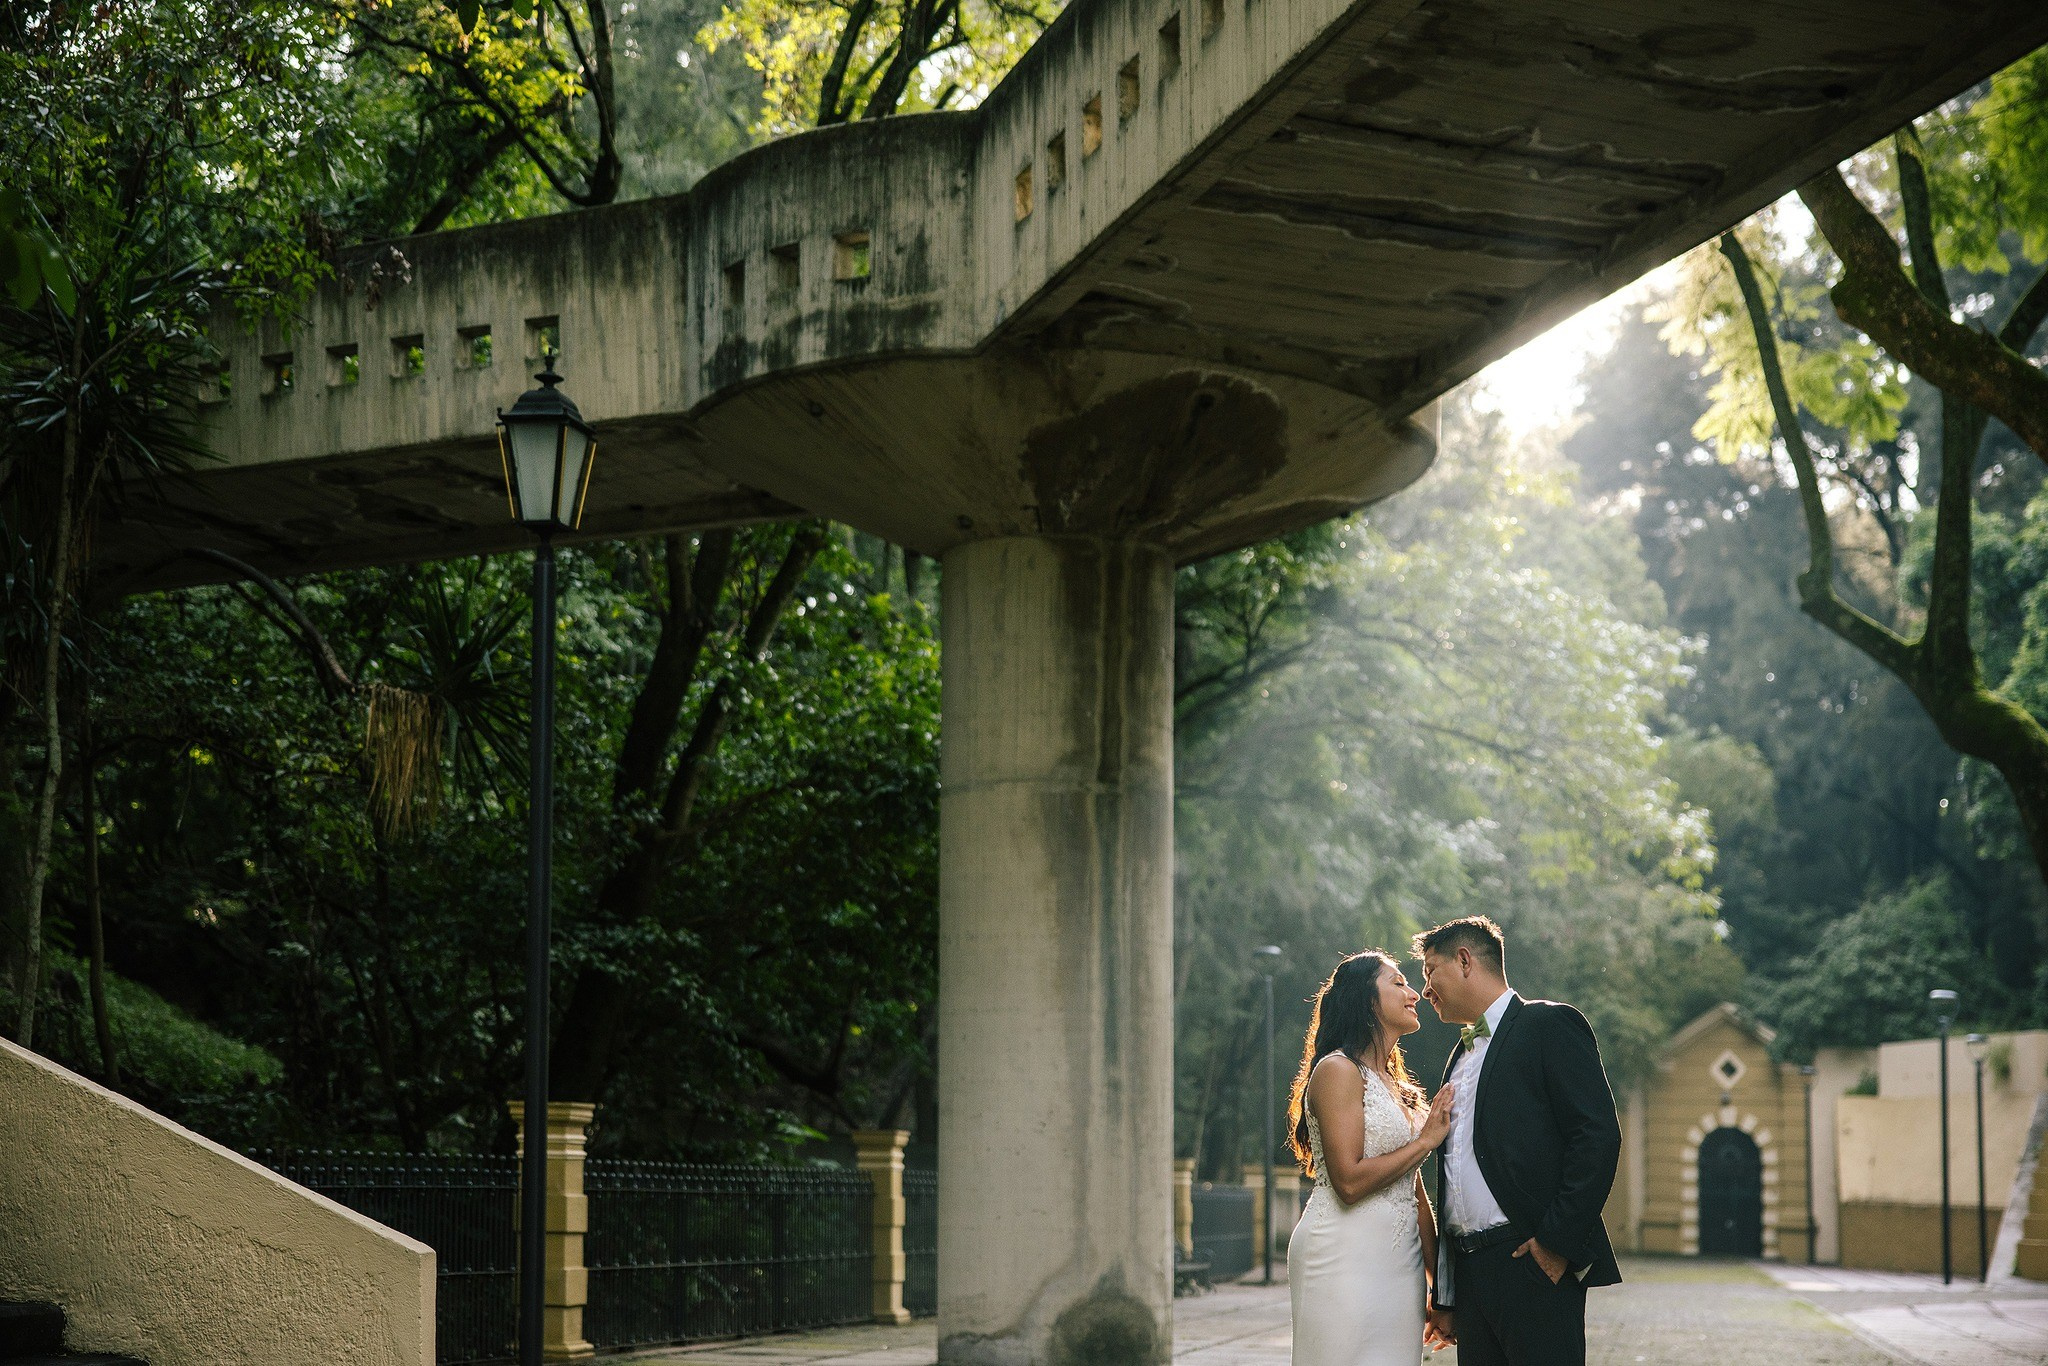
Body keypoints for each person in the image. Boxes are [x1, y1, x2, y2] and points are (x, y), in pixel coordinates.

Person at [1414, 916, 1622, 1366]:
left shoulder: (1548, 1024)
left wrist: (1554, 1245)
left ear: (1465, 960)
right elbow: (1455, 1171)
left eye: (1431, 972)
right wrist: (1448, 1294)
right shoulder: (1460, 1056)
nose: (1424, 990)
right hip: (1471, 1275)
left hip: (1531, 1261)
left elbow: (1597, 1135)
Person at [1286, 950, 1457, 1364]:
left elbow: (1413, 1192)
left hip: (1402, 1261)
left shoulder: (1396, 1084)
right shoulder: (1337, 1070)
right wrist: (1425, 1142)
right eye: (1398, 983)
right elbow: (1348, 1183)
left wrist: (1443, 1289)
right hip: (1342, 1252)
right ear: (1365, 999)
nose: (1414, 993)